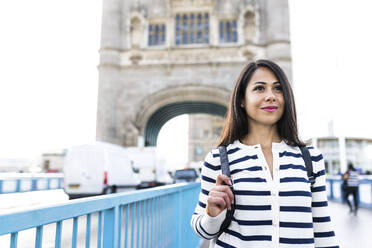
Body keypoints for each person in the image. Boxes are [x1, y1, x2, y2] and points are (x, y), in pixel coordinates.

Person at [191, 60, 339, 248]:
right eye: (260, 89)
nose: (270, 96)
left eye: (278, 89)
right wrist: (212, 214)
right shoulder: (219, 159)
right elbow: (202, 229)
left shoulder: (310, 157)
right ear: (242, 100)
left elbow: (323, 229)